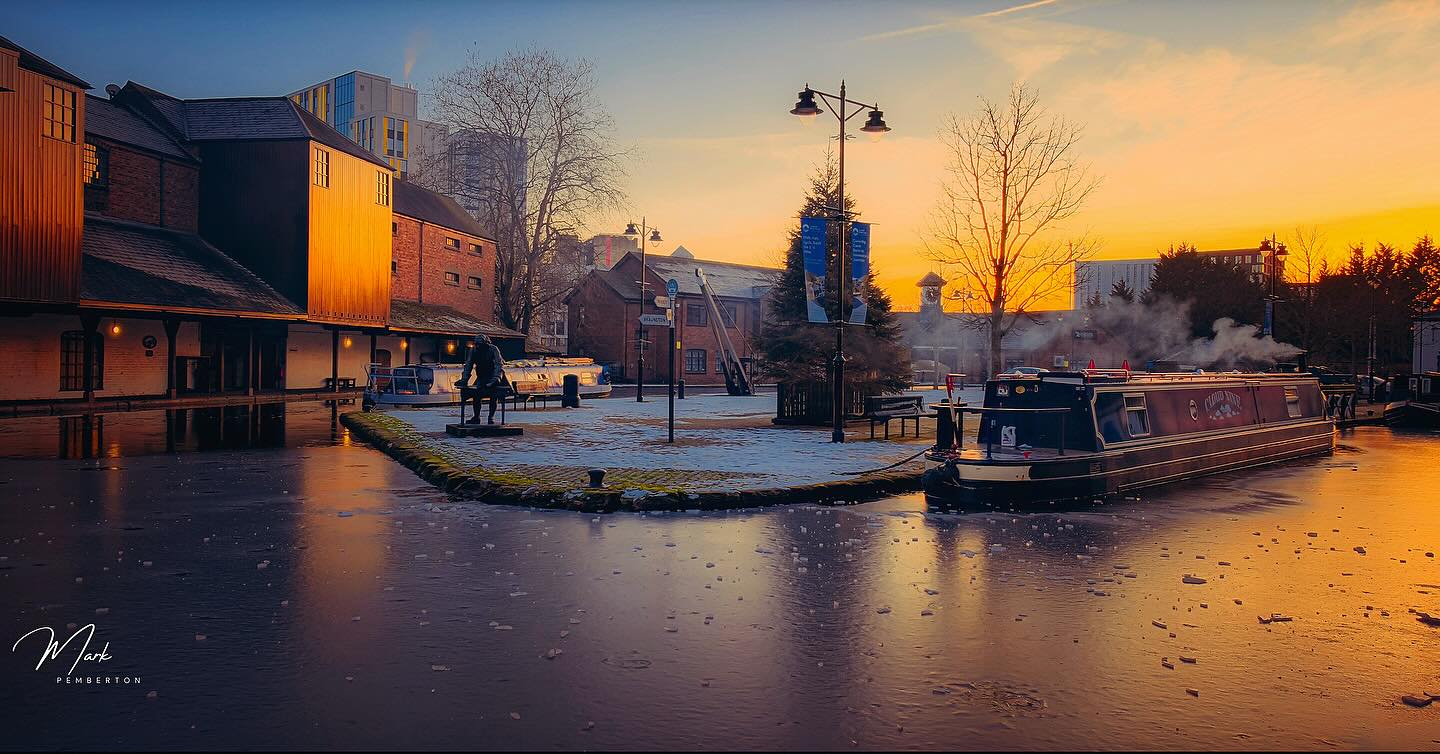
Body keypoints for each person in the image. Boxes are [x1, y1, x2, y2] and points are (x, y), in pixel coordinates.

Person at [455, 333, 506, 424]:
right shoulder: (474, 350)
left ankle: (491, 418)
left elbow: (499, 364)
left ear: (486, 343)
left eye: (480, 344)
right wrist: (464, 379)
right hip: (481, 376)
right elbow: (468, 365)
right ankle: (476, 417)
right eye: (477, 344)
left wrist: (496, 378)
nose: (478, 346)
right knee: (476, 396)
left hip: (492, 376)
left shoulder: (493, 349)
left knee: (493, 396)